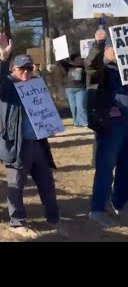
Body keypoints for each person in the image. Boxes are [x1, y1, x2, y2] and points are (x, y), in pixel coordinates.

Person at [0, 33, 64, 238]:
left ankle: (54, 217)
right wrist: (2, 58)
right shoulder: (6, 88)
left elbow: (44, 109)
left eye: (29, 68)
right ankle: (17, 222)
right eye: (22, 68)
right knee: (16, 186)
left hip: (38, 143)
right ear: (13, 70)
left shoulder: (36, 86)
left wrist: (51, 122)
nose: (26, 72)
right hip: (17, 145)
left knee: (47, 183)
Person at [85, 29, 128, 227]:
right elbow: (91, 65)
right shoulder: (101, 70)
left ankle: (120, 203)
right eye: (115, 49)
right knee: (105, 168)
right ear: (109, 50)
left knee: (126, 167)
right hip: (110, 127)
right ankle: (98, 209)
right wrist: (98, 44)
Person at [59, 55, 88, 127]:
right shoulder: (68, 67)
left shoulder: (85, 67)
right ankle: (76, 122)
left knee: (80, 105)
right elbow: (61, 61)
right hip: (70, 89)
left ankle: (84, 122)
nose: (79, 60)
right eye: (77, 59)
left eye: (80, 59)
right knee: (73, 106)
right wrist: (58, 53)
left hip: (81, 89)